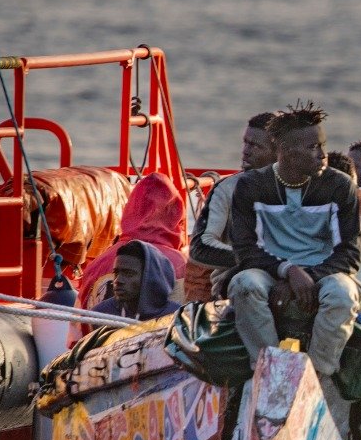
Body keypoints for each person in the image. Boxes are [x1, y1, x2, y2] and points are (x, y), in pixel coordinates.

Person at [226, 105, 361, 429]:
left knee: (343, 298)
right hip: (271, 268)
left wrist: (311, 277)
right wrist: (287, 270)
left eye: (323, 144)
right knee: (244, 285)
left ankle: (315, 380)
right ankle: (271, 370)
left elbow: (349, 253)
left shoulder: (340, 186)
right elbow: (244, 251)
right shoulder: (251, 186)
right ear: (286, 152)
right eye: (313, 147)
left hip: (325, 269)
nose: (323, 154)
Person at [186, 110, 277, 301]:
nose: (245, 150)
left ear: (278, 153)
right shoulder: (226, 189)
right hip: (233, 287)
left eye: (255, 145)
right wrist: (257, 260)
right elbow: (199, 248)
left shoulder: (304, 189)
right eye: (245, 142)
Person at [76, 173, 187, 307]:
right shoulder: (181, 264)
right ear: (176, 213)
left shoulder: (97, 264)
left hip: (99, 326)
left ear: (129, 210)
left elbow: (79, 321)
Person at [90, 240, 184, 322]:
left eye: (128, 274)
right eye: (116, 273)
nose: (117, 280)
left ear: (148, 277)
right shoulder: (100, 314)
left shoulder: (176, 316)